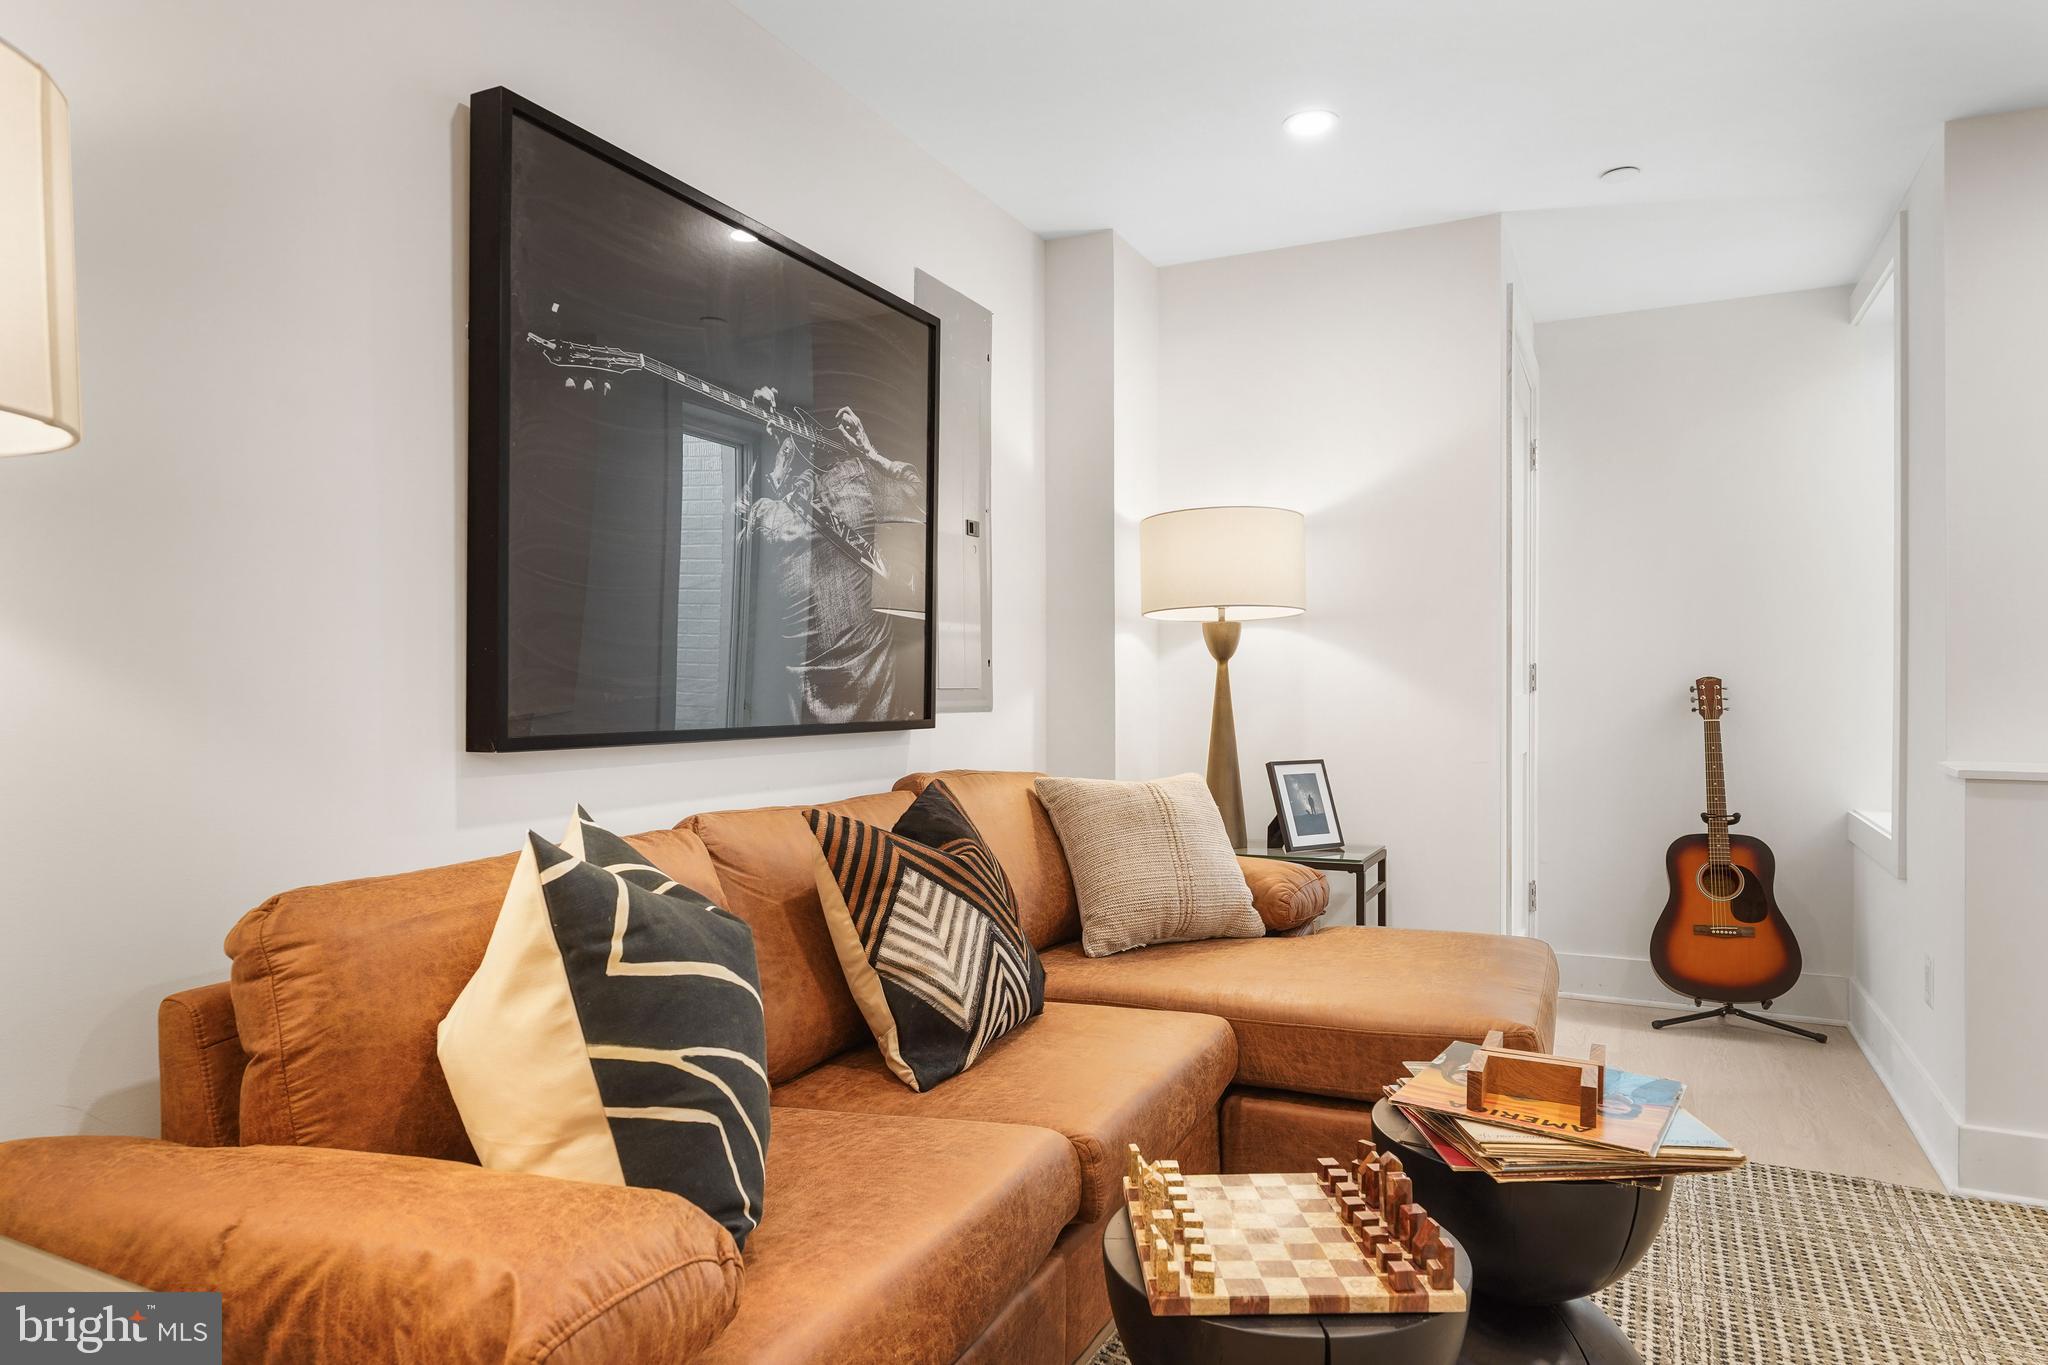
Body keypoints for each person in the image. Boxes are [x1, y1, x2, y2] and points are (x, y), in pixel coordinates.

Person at [739, 399, 924, 724]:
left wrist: (771, 457)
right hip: (880, 725)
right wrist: (868, 450)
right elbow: (916, 494)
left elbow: (737, 536)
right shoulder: (858, 482)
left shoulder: (769, 519)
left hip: (797, 730)